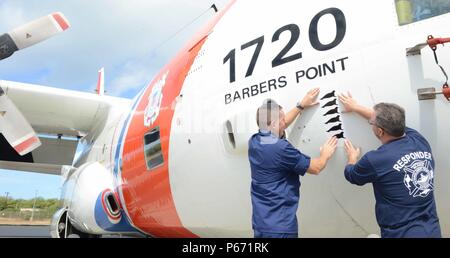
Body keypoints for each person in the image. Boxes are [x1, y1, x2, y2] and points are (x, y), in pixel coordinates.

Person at [339, 92, 441, 238]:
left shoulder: (375, 159)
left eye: (371, 123)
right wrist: (355, 107)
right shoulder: (419, 141)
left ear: (380, 131)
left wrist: (351, 158)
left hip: (400, 233)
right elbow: (391, 122)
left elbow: (352, 175)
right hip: (431, 229)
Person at [248, 88, 338, 238]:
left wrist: (300, 106)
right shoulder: (280, 148)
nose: (285, 122)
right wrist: (325, 154)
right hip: (281, 227)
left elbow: (280, 124)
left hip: (262, 224)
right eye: (282, 119)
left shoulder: (255, 141)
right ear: (274, 123)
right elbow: (316, 168)